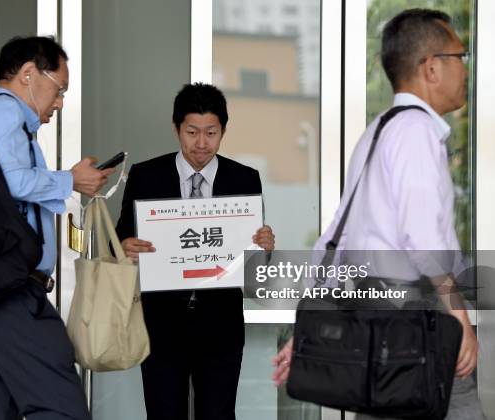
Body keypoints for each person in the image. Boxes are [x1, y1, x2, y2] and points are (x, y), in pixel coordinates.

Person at [272, 9, 485, 419]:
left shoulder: (377, 132)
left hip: (377, 324)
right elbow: (422, 239)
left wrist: (306, 328)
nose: (465, 70)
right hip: (419, 326)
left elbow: (335, 239)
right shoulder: (417, 131)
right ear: (432, 67)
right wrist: (458, 318)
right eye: (462, 57)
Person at [0, 36, 114, 420]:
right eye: (59, 90)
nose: (59, 103)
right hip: (7, 292)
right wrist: (70, 181)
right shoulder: (6, 112)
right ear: (28, 74)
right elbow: (7, 182)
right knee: (61, 407)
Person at [116, 82, 275, 420]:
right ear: (176, 129)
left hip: (221, 325)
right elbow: (121, 239)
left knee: (218, 415)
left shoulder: (244, 179)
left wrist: (263, 248)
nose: (201, 144)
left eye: (211, 133)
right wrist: (125, 246)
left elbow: (252, 264)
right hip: (161, 325)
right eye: (192, 132)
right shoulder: (147, 176)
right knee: (163, 414)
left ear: (223, 131)